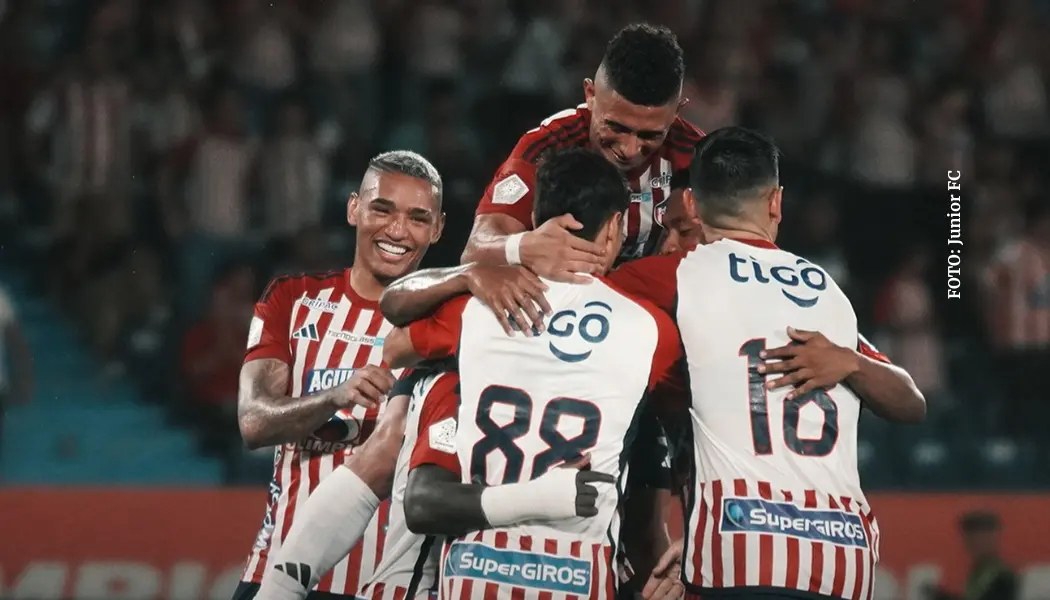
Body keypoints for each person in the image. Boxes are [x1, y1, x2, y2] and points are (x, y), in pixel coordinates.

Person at [379, 128, 927, 600]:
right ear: (776, 203)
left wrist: (501, 260)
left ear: (689, 207)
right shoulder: (824, 290)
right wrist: (849, 362)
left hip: (713, 549)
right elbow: (910, 401)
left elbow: (396, 339)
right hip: (844, 555)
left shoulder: (666, 284)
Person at [380, 147, 685, 600]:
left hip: (475, 571)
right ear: (616, 228)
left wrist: (476, 273)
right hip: (575, 577)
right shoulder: (651, 329)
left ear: (538, 221)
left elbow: (393, 339)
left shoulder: (481, 306)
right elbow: (698, 422)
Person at [233, 150, 446, 600]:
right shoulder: (293, 298)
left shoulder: (451, 324)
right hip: (277, 572)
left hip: (382, 585)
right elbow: (253, 423)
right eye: (382, 209)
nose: (397, 231)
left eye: (417, 218)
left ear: (438, 228)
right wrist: (334, 396)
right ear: (354, 209)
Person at [462, 23, 705, 282]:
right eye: (615, 127)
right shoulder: (546, 148)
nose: (629, 150)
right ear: (590, 94)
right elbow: (476, 248)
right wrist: (524, 246)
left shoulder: (698, 158)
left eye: (650, 135)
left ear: (677, 111)